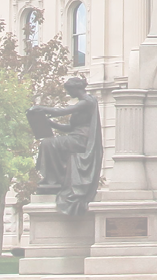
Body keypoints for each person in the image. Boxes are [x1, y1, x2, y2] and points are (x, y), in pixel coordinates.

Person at [32, 76, 103, 216]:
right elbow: (69, 127)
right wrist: (50, 124)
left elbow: (62, 111)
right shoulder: (82, 103)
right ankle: (54, 179)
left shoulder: (87, 101)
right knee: (48, 142)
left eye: (69, 90)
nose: (68, 93)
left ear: (76, 89)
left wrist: (40, 108)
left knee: (48, 143)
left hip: (82, 141)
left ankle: (53, 179)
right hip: (75, 137)